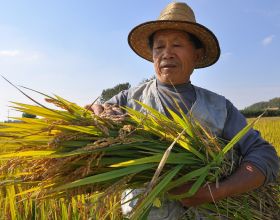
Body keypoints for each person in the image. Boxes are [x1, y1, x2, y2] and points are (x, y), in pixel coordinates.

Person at [89, 2, 279, 219]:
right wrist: (89, 118)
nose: (166, 54)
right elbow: (91, 125)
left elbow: (266, 155)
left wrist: (215, 192)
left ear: (197, 55)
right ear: (152, 55)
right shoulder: (127, 100)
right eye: (159, 47)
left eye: (177, 45)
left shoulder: (219, 108)